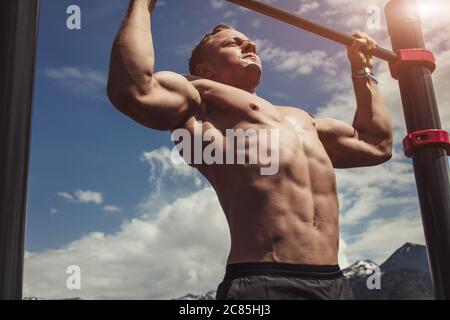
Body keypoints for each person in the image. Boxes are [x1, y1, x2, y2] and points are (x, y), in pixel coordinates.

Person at [107, 0, 393, 300]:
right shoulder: (199, 98)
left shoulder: (301, 119)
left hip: (335, 281)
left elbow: (376, 143)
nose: (250, 46)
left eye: (251, 43)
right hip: (265, 282)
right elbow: (134, 90)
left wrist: (361, 70)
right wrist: (142, 4)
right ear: (206, 69)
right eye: (234, 43)